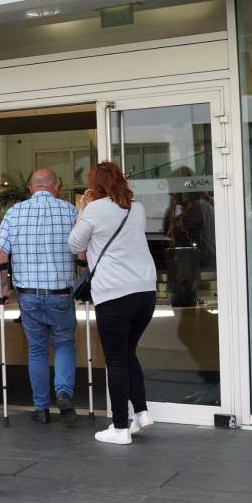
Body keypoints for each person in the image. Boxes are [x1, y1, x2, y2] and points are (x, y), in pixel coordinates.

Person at [70, 161, 157, 445]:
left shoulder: (94, 209)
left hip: (114, 294)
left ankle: (120, 428)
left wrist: (83, 208)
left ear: (95, 184)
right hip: (145, 292)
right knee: (128, 352)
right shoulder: (137, 207)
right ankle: (141, 413)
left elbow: (75, 245)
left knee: (116, 359)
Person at [0, 168, 79, 425]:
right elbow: (82, 249)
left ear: (31, 188)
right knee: (64, 344)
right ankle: (64, 393)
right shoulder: (70, 211)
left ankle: (41, 409)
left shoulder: (15, 213)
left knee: (37, 350)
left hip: (28, 294)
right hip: (60, 293)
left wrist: (5, 287)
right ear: (56, 187)